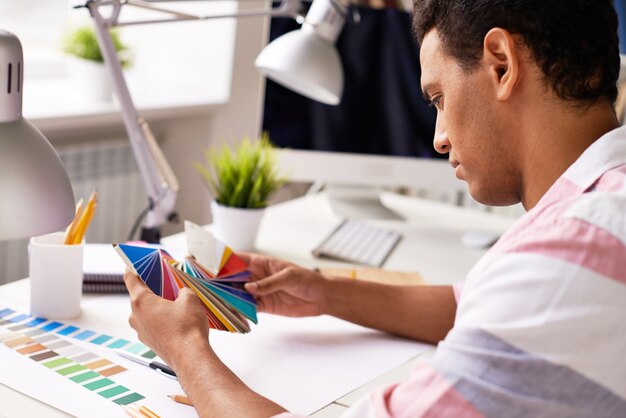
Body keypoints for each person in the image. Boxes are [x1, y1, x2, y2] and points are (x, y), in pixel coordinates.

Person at [123, 0, 626, 416]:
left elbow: (529, 290)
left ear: (500, 63)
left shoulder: (569, 252)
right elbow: (473, 301)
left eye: (439, 98)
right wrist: (323, 291)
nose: (439, 138)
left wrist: (184, 347)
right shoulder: (598, 207)